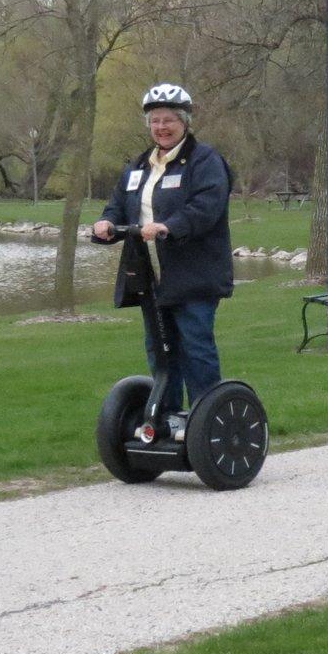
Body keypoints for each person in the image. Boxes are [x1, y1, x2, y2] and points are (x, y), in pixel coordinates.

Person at [92, 83, 234, 413]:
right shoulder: (138, 167)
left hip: (194, 275)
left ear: (184, 122)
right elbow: (119, 205)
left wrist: (170, 225)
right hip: (149, 276)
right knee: (160, 349)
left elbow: (206, 207)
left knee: (195, 347)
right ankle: (168, 420)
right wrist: (106, 223)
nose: (161, 128)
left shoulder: (205, 161)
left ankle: (204, 420)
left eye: (168, 120)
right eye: (155, 121)